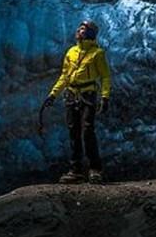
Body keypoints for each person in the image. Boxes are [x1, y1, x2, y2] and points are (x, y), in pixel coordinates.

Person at [42, 20, 111, 184]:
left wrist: (105, 97)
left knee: (87, 131)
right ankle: (76, 171)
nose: (79, 31)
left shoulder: (97, 53)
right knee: (73, 133)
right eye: (79, 28)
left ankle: (95, 169)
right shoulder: (71, 52)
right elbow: (65, 76)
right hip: (71, 94)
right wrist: (53, 94)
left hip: (88, 94)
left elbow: (105, 76)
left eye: (82, 29)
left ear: (90, 34)